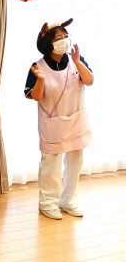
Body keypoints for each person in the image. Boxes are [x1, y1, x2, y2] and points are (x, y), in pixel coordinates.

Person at [25, 18, 93, 220]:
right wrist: (40, 80)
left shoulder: (75, 60)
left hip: (76, 119)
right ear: (48, 43)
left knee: (75, 162)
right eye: (58, 38)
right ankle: (47, 204)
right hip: (52, 123)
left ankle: (68, 200)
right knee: (51, 165)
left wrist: (78, 62)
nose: (64, 40)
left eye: (66, 36)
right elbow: (35, 96)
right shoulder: (37, 66)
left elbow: (89, 80)